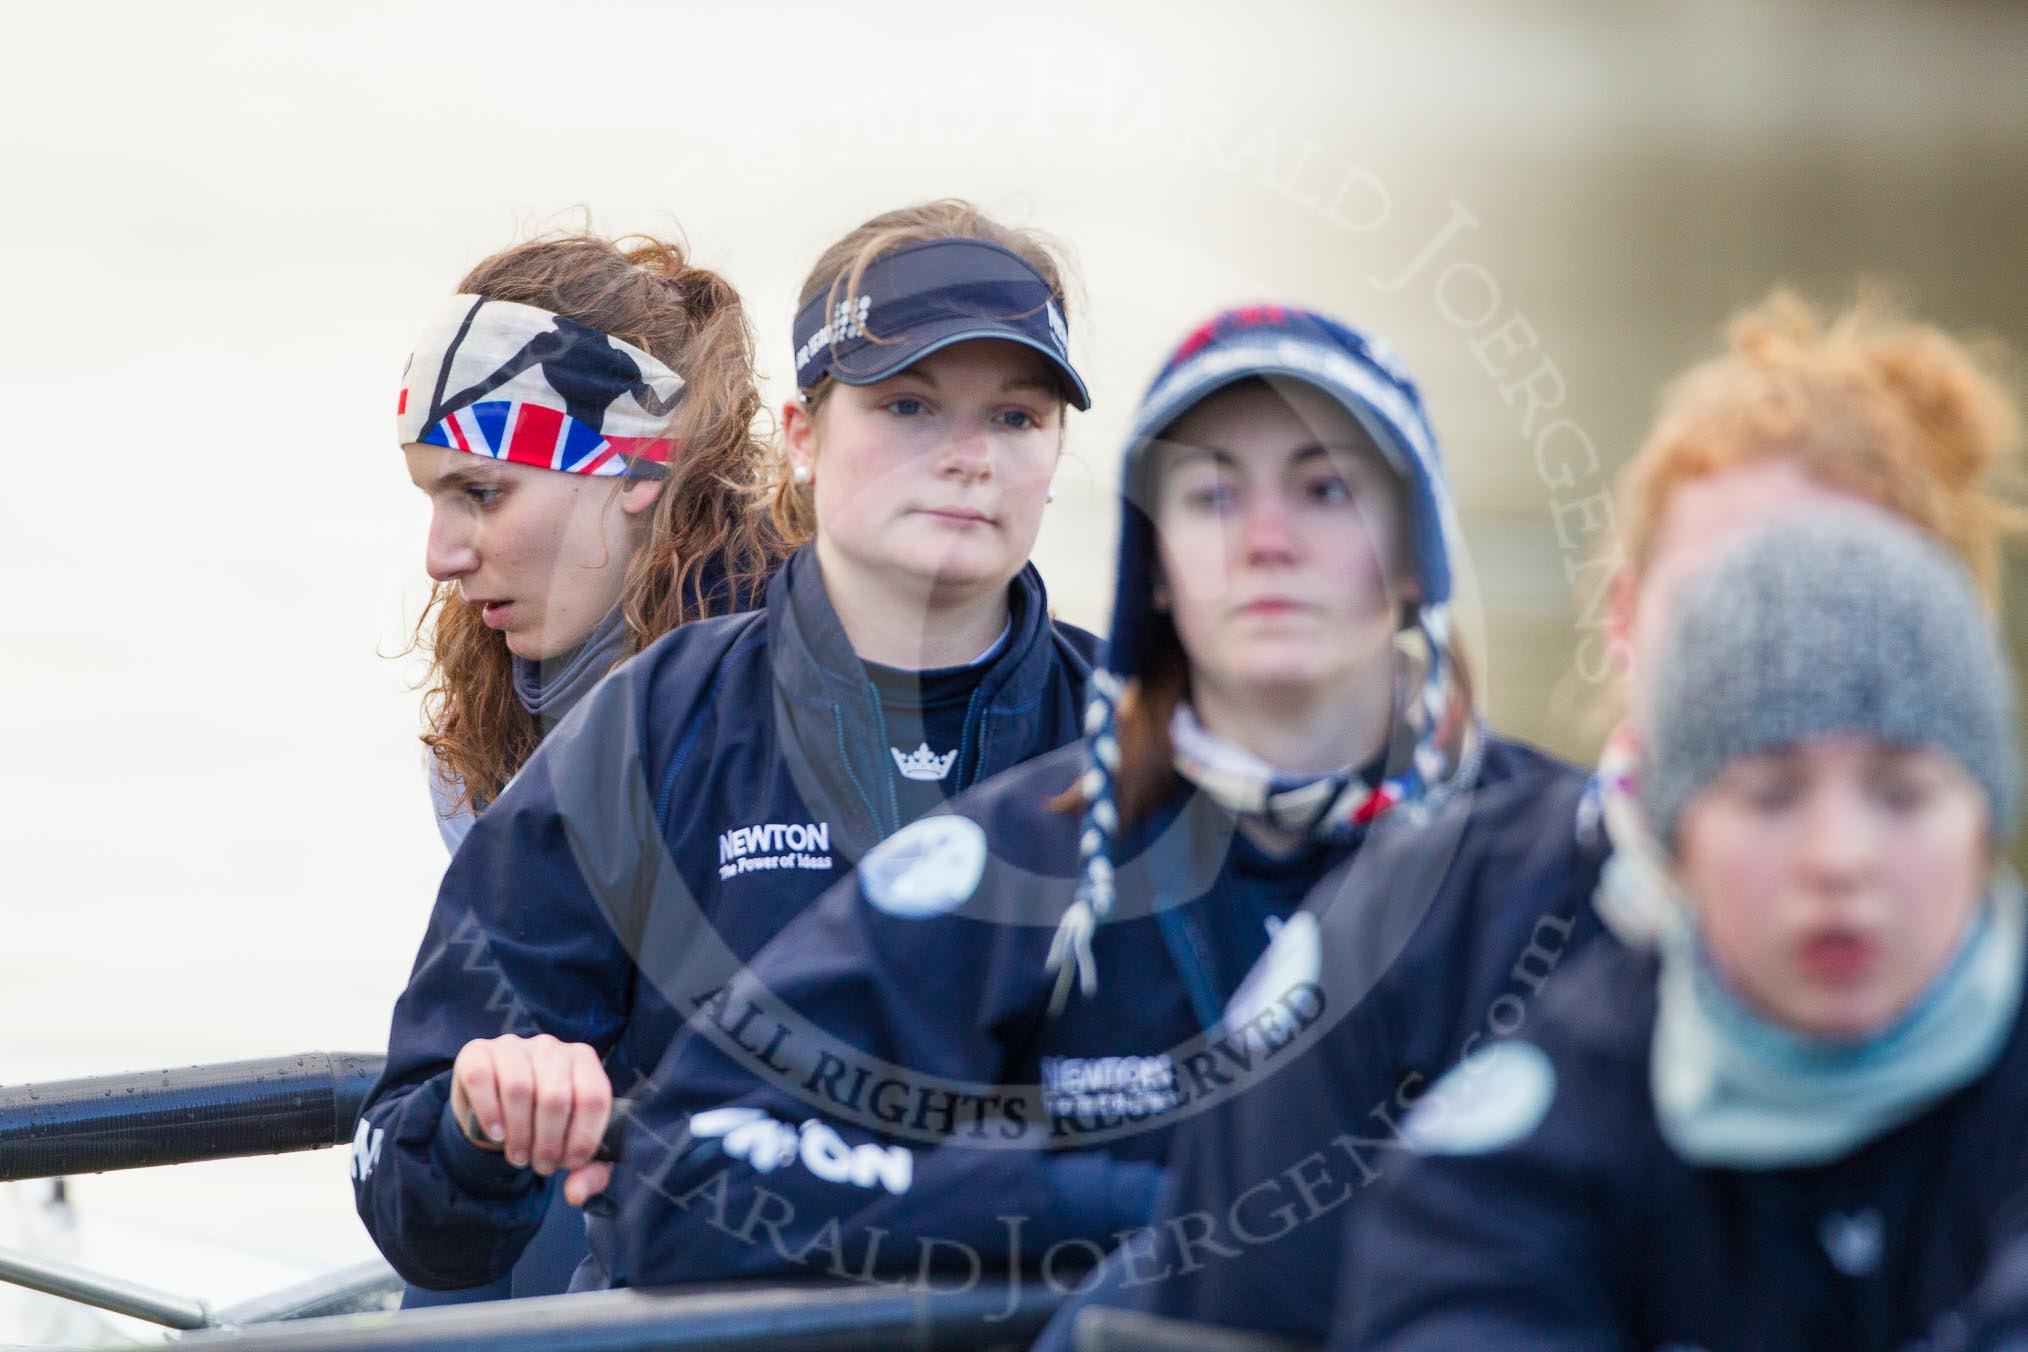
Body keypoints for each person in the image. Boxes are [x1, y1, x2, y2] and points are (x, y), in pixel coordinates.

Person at [1055, 287, 2026, 1347]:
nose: (1786, 647)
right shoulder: (1415, 923)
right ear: (1623, 618)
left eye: (1855, 603)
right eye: (1730, 599)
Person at [605, 304, 1576, 1289]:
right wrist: (1120, 1205)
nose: (1269, 540)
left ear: (1414, 554)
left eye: (1327, 489)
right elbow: (688, 1173)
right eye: (1213, 496)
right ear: (1152, 568)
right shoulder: (1024, 858)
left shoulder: (1572, 857)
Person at [353, 200, 1099, 1293]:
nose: (967, 459)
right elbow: (417, 1183)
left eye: (1017, 418)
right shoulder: (648, 728)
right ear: (802, 437)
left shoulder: (1166, 747)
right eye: (906, 405)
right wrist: (478, 1117)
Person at [1338, 510, 2027, 1351]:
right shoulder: (1518, 1149)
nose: (1840, 859)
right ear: (1674, 838)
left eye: (1902, 793)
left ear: (1984, 824)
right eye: (1771, 795)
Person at [403, 232, 779, 854]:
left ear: (637, 466)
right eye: (432, 499)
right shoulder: (474, 760)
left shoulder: (836, 689)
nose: (440, 560)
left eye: (482, 493)